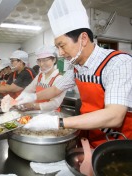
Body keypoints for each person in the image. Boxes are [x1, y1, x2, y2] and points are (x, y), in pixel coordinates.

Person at [16, 0, 132, 148]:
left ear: (83, 39)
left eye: (62, 46)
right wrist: (32, 96)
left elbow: (115, 116)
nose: (60, 53)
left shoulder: (118, 63)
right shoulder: (75, 66)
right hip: (88, 131)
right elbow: (56, 89)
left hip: (116, 141)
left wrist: (57, 122)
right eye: (57, 47)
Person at [18, 45, 66, 111]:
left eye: (45, 60)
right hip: (37, 112)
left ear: (54, 60)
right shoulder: (40, 75)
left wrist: (33, 105)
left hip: (51, 115)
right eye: (39, 61)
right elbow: (29, 89)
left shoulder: (59, 79)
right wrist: (19, 99)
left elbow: (55, 104)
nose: (41, 64)